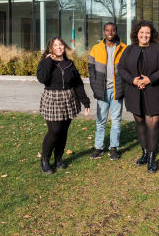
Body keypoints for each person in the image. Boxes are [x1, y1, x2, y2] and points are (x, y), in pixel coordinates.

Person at [118, 20, 159, 173]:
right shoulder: (129, 49)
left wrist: (150, 79)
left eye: (147, 32)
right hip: (135, 92)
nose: (144, 35)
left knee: (153, 123)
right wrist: (133, 80)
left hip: (154, 91)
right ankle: (145, 153)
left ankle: (152, 159)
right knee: (140, 123)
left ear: (151, 34)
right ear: (137, 34)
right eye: (142, 32)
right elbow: (121, 68)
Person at [36, 37, 90, 174]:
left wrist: (85, 101)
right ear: (50, 48)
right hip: (53, 99)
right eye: (55, 45)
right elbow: (42, 78)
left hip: (69, 99)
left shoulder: (69, 64)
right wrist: (49, 60)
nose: (59, 47)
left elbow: (77, 83)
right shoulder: (45, 62)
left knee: (63, 131)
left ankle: (58, 159)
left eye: (61, 45)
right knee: (54, 131)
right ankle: (45, 160)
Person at [88, 22, 127, 160]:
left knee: (116, 120)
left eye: (112, 30)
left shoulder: (124, 48)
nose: (110, 32)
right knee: (100, 120)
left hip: (117, 90)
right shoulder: (96, 48)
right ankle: (98, 147)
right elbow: (91, 69)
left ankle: (113, 148)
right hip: (102, 91)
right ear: (104, 32)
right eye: (107, 30)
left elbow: (128, 69)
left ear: (116, 31)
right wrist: (94, 86)